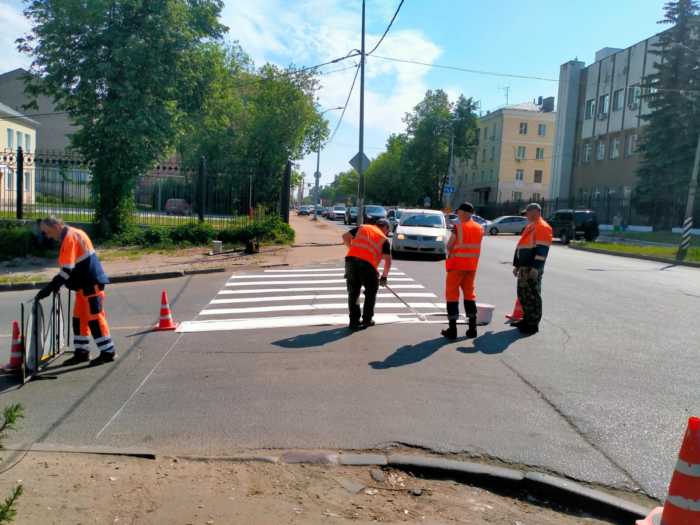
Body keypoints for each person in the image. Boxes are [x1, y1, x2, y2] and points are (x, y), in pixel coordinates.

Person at [36, 216, 116, 366]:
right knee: (79, 320)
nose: (46, 236)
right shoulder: (73, 233)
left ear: (55, 227)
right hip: (84, 286)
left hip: (91, 285)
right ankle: (82, 352)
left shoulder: (69, 238)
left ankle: (108, 351)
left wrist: (51, 287)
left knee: (95, 319)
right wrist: (56, 285)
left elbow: (67, 270)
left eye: (46, 232)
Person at [442, 202, 484, 340]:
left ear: (464, 213)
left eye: (459, 212)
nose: (458, 215)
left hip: (457, 266)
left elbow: (449, 246)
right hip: (471, 267)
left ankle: (452, 330)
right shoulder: (479, 228)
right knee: (469, 295)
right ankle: (472, 328)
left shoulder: (458, 227)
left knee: (452, 295)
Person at [342, 218, 393, 329]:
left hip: (350, 261)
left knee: (353, 292)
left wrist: (353, 250)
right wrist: (384, 277)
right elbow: (388, 261)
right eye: (388, 231)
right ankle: (367, 320)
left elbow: (345, 237)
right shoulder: (384, 239)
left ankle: (354, 321)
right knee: (370, 292)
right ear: (386, 228)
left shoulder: (363, 227)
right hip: (367, 267)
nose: (388, 233)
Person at [512, 203, 553, 335]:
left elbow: (542, 249)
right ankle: (526, 319)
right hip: (524, 267)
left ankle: (532, 324)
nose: (526, 216)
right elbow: (522, 246)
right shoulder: (531, 226)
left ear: (536, 212)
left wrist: (536, 268)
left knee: (532, 296)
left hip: (531, 268)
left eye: (528, 213)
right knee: (523, 295)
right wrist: (517, 265)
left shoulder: (542, 227)